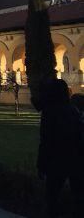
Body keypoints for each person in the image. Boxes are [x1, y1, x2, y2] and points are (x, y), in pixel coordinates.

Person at [37, 78, 84, 218]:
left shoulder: (49, 113)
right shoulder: (73, 111)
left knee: (52, 198)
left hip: (56, 162)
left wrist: (41, 165)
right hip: (75, 161)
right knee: (79, 198)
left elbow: (46, 141)